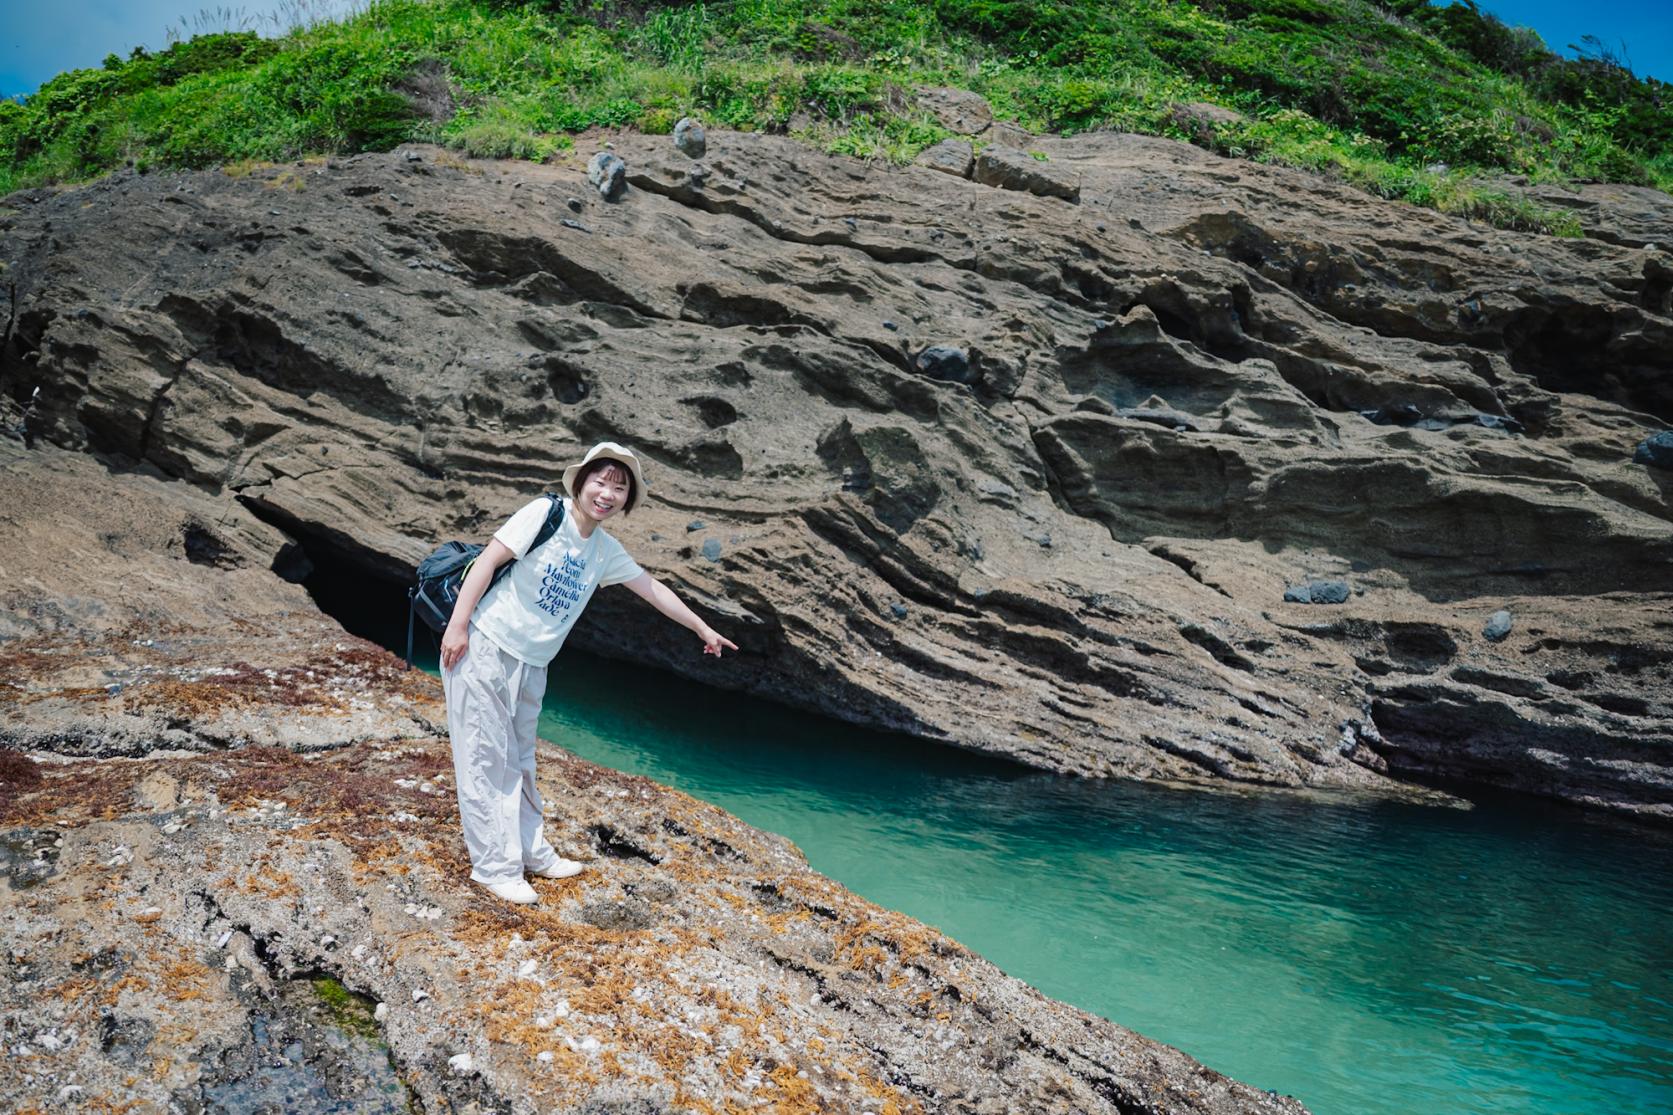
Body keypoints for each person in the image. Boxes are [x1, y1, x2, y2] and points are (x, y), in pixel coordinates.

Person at [439, 441, 737, 905]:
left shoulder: (604, 549)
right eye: (600, 481)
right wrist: (458, 627)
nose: (607, 493)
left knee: (519, 760)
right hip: (485, 646)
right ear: (580, 482)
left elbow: (652, 588)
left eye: (619, 487)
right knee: (485, 760)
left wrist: (702, 626)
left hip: (533, 663)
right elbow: (488, 561)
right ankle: (494, 868)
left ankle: (532, 852)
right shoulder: (544, 514)